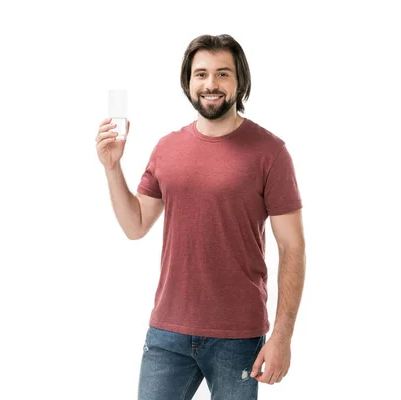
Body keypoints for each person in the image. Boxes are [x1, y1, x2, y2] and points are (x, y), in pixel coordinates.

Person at [95, 34, 306, 399]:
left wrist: (282, 337)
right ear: (188, 82)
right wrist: (113, 168)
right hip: (167, 333)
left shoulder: (270, 153)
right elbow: (135, 225)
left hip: (239, 337)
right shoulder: (167, 148)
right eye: (201, 74)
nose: (211, 84)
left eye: (223, 74)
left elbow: (293, 247)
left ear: (240, 81)